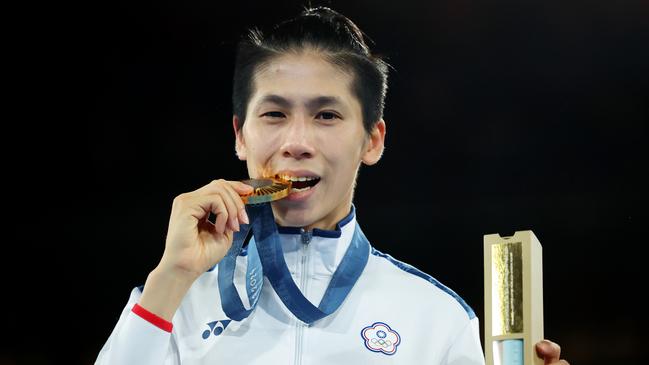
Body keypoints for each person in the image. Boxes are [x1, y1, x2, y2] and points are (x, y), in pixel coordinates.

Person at [95, 7, 569, 365]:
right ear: (240, 135)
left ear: (372, 140)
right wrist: (171, 276)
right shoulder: (174, 306)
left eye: (327, 115)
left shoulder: (437, 319)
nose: (297, 142)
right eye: (275, 114)